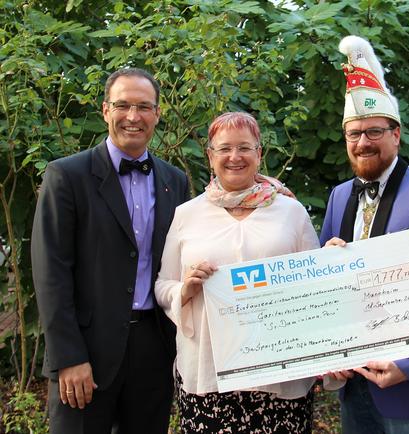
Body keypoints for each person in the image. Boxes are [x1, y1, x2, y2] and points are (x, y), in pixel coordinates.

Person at [31, 67, 190, 434]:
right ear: (105, 110)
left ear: (157, 113)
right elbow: (50, 272)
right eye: (123, 105)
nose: (133, 117)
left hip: (153, 350)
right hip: (87, 351)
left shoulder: (174, 181)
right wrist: (68, 357)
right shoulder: (66, 176)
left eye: (144, 107)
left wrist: (265, 194)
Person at [320, 35, 409, 434]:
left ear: (396, 135)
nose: (363, 142)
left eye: (374, 132)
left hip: (405, 386)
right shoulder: (338, 196)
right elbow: (323, 289)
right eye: (354, 134)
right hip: (354, 382)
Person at [154, 111, 320, 434]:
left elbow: (316, 283)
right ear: (210, 156)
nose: (235, 157)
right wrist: (184, 290)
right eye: (224, 148)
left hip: (280, 378)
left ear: (259, 154)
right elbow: (163, 285)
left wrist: (334, 258)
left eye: (244, 147)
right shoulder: (187, 214)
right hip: (209, 375)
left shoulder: (291, 212)